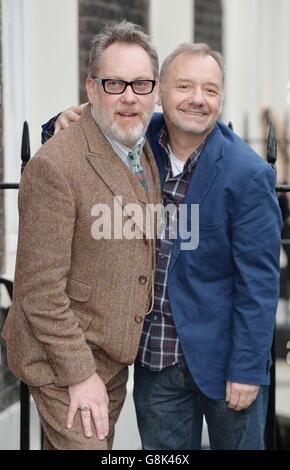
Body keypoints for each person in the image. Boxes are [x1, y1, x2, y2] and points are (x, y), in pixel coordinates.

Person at [42, 43, 282, 450]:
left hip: (226, 363)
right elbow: (80, 144)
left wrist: (246, 367)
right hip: (157, 360)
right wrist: (58, 123)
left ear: (221, 97)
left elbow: (259, 283)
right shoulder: (140, 140)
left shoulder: (249, 173)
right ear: (159, 93)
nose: (197, 99)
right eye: (184, 85)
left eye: (210, 89)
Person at [2, 21, 161, 450]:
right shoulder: (56, 167)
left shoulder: (139, 144)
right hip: (64, 363)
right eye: (114, 83)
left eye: (141, 84)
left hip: (110, 358)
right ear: (91, 89)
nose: (129, 95)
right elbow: (38, 292)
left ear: (156, 90)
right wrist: (79, 374)